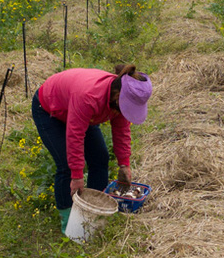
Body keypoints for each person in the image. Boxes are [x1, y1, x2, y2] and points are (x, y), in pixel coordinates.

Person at [31, 64, 153, 232]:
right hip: (49, 109)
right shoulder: (89, 96)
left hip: (79, 112)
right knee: (66, 165)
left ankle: (92, 209)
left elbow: (121, 130)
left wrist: (124, 164)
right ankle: (68, 222)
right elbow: (75, 136)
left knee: (100, 158)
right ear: (118, 95)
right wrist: (77, 176)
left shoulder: (117, 100)